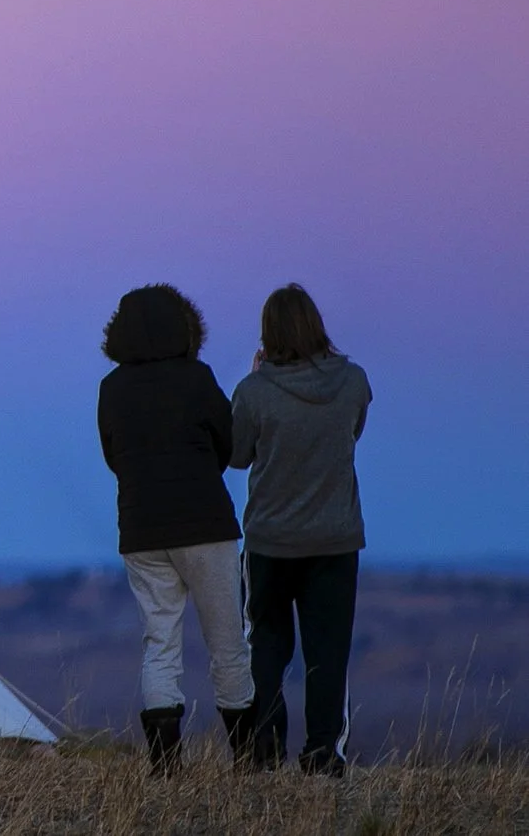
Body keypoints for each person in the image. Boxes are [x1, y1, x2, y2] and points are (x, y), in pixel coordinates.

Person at [98, 284, 254, 772]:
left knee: (159, 645)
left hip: (142, 532)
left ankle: (166, 766)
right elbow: (230, 448)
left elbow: (113, 459)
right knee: (228, 643)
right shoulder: (196, 378)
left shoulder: (113, 388)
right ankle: (247, 762)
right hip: (206, 526)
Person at [233, 283, 371, 775]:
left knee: (266, 646)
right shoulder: (353, 382)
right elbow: (351, 433)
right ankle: (322, 754)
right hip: (334, 540)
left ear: (267, 335)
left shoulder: (254, 392)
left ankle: (265, 749)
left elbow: (236, 455)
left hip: (269, 542)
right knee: (327, 652)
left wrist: (256, 379)